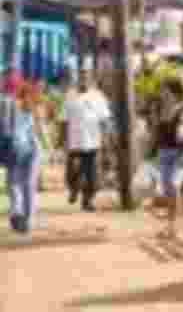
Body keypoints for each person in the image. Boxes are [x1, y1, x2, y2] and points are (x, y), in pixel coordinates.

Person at [152, 75, 183, 240]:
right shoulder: (160, 109)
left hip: (180, 155)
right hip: (164, 153)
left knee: (174, 185)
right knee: (168, 189)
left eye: (165, 90)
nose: (163, 93)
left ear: (174, 92)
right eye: (162, 90)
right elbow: (157, 132)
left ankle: (176, 227)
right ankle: (170, 226)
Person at [4, 77, 52, 234]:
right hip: (22, 149)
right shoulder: (15, 107)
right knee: (21, 184)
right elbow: (41, 130)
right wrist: (48, 148)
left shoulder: (27, 108)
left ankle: (22, 217)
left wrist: (48, 148)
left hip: (25, 150)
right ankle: (21, 216)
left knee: (20, 184)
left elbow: (41, 130)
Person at [61, 71, 112, 212]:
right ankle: (74, 188)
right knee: (73, 170)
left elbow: (105, 119)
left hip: (93, 141)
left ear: (91, 80)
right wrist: (62, 139)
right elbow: (64, 119)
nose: (83, 80)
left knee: (92, 174)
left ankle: (87, 200)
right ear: (77, 80)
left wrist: (106, 138)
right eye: (81, 78)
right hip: (74, 141)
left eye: (86, 78)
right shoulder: (70, 95)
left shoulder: (98, 96)